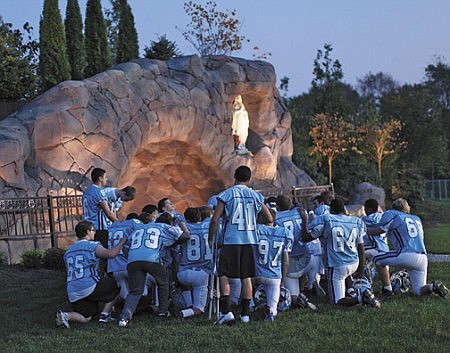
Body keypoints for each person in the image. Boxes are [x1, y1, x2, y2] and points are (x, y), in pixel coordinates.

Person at [208, 165, 273, 325]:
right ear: (249, 179)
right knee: (246, 277)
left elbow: (215, 219)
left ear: (234, 176)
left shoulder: (227, 194)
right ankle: (245, 315)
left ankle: (226, 311)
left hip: (232, 240)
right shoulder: (255, 196)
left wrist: (211, 238)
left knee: (224, 274)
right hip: (250, 240)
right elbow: (269, 218)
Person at [301, 198, 381, 307]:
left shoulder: (326, 220)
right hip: (354, 263)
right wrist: (361, 269)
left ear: (331, 210)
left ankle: (361, 297)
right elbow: (361, 248)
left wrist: (305, 219)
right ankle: (352, 290)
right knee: (344, 274)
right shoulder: (356, 221)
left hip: (337, 265)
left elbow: (305, 238)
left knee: (337, 302)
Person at [118, 212, 190, 327]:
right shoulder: (164, 227)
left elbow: (125, 248)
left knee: (135, 291)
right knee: (163, 283)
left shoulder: (139, 229)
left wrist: (134, 258)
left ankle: (124, 318)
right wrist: (182, 226)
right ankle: (162, 312)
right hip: (151, 259)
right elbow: (186, 236)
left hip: (133, 260)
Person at [368, 198, 449, 298]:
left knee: (377, 259)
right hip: (422, 257)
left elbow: (379, 230)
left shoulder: (393, 215)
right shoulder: (416, 219)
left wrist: (363, 229)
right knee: (418, 291)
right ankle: (433, 287)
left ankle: (387, 289)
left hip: (406, 254)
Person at [56, 220, 126, 328]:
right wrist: (121, 243)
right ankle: (105, 315)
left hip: (72, 290)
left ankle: (65, 316)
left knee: (86, 317)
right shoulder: (92, 246)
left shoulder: (68, 251)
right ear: (87, 231)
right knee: (116, 285)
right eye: (93, 230)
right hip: (88, 285)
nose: (95, 233)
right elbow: (111, 254)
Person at [275, 195, 316, 308]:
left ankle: (299, 297)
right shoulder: (300, 212)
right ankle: (311, 283)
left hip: (290, 264)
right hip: (308, 259)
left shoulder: (276, 218)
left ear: (277, 207)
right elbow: (306, 234)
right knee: (311, 256)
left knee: (293, 300)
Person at [254, 208, 293, 321]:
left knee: (243, 283)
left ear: (260, 217)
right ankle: (271, 311)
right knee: (273, 308)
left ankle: (251, 306)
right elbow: (285, 261)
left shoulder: (256, 230)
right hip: (274, 275)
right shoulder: (285, 233)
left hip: (256, 273)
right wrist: (283, 280)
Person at [175, 207, 213, 319]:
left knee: (185, 280)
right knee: (200, 309)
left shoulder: (182, 228)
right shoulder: (207, 226)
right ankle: (184, 313)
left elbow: (178, 219)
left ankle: (188, 304)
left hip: (183, 273)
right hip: (202, 273)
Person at [107, 213, 143, 301]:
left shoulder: (113, 225)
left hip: (114, 266)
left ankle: (127, 308)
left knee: (125, 294)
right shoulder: (134, 222)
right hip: (127, 263)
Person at [361, 198, 392, 294]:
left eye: (365, 208)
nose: (364, 210)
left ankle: (366, 281)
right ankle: (387, 286)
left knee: (359, 258)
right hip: (385, 250)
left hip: (372, 250)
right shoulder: (383, 216)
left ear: (369, 209)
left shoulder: (364, 219)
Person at [82, 168, 118, 247]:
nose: (106, 179)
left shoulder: (87, 191)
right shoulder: (99, 192)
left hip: (88, 228)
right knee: (103, 254)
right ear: (100, 178)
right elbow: (108, 213)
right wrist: (120, 224)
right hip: (99, 230)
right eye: (105, 177)